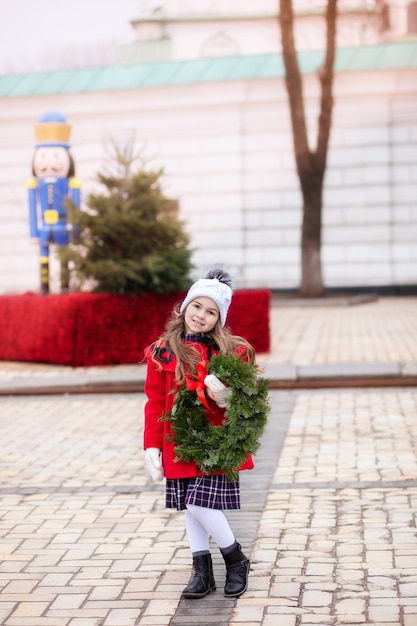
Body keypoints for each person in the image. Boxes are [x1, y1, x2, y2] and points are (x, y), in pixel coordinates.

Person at [143, 266, 257, 599]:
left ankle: (235, 559)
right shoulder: (165, 350)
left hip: (216, 441)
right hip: (177, 439)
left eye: (211, 312)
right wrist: (151, 446)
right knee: (190, 505)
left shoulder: (230, 352)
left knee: (197, 503)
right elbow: (153, 401)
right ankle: (202, 571)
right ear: (185, 306)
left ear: (218, 319)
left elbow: (246, 397)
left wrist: (227, 396)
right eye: (197, 306)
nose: (201, 315)